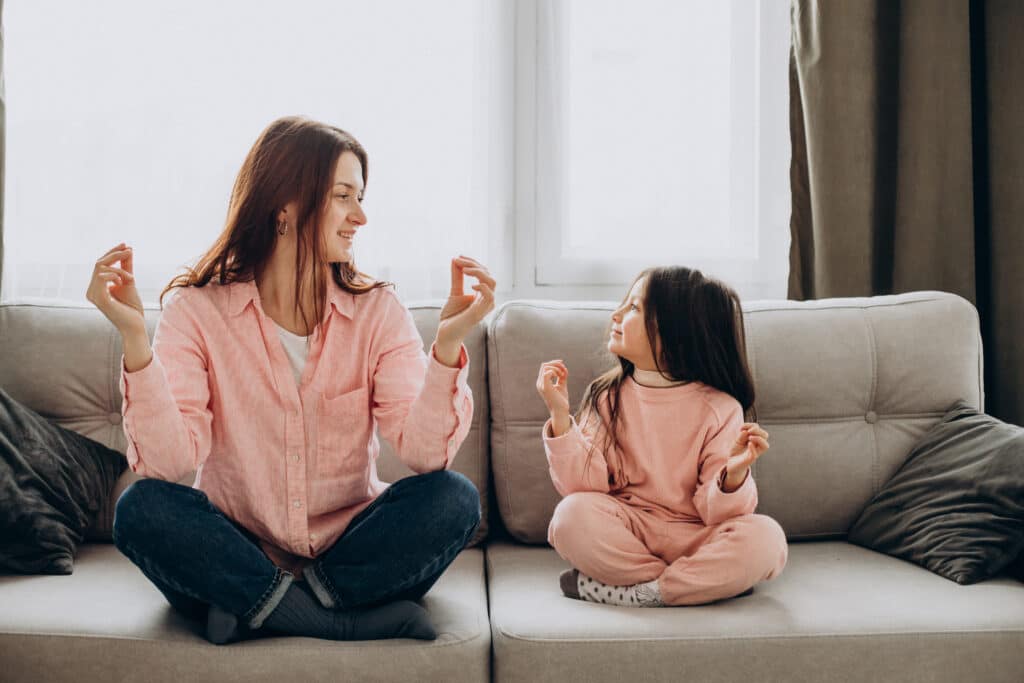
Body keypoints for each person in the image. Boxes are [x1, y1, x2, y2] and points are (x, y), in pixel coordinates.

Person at [86, 116, 495, 643]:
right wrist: (135, 342)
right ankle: (334, 620)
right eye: (344, 196)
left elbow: (423, 455)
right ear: (288, 205)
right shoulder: (196, 312)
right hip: (239, 546)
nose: (361, 216)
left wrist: (447, 346)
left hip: (347, 550)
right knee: (141, 509)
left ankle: (260, 608)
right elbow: (170, 463)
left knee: (454, 499)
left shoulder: (378, 311)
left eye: (361, 197)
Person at [535, 266, 787, 606]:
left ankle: (644, 592)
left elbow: (720, 515)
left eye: (634, 308)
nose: (616, 314)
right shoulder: (606, 396)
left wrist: (734, 475)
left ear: (676, 333)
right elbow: (582, 487)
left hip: (696, 534)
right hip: (629, 528)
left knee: (766, 539)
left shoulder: (721, 408)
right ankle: (692, 585)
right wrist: (561, 417)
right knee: (571, 515)